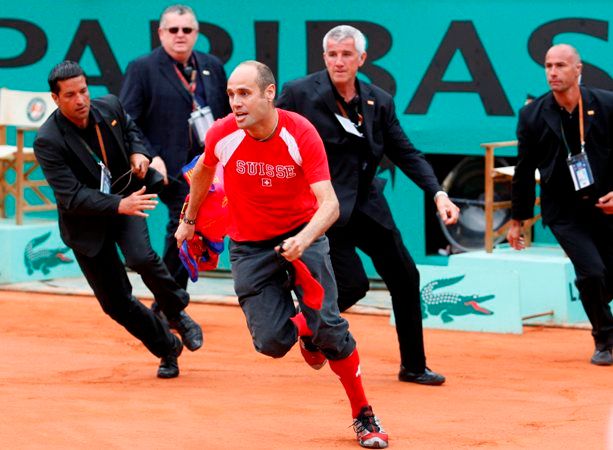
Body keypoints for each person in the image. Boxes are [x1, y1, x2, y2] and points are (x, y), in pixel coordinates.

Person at [175, 60, 389, 449]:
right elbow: (204, 172)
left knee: (330, 327)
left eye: (245, 94)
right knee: (271, 343)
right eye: (231, 95)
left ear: (269, 94)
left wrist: (304, 240)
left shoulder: (300, 133)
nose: (235, 103)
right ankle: (303, 330)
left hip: (302, 238)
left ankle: (364, 414)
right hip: (249, 246)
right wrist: (189, 219)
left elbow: (329, 205)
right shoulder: (223, 133)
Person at [276, 25, 459, 385]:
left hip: (368, 205)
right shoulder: (299, 94)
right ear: (324, 57)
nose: (339, 61)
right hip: (325, 210)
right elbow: (272, 135)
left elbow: (405, 152)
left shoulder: (379, 101)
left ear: (362, 58)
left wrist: (438, 192)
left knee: (406, 277)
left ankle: (414, 366)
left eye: (347, 54)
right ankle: (305, 327)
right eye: (332, 54)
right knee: (353, 286)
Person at [34, 61, 202, 379]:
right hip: (87, 223)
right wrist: (118, 205)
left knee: (142, 257)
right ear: (55, 99)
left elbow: (130, 130)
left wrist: (140, 153)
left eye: (83, 91)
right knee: (116, 303)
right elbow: (70, 196)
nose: (80, 100)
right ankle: (168, 348)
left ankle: (177, 312)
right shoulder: (48, 140)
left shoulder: (109, 105)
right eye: (70, 95)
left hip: (127, 197)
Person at [507, 44, 613, 366]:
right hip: (564, 211)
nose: (553, 72)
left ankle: (595, 298)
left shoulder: (607, 104)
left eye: (561, 66)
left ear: (578, 69)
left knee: (603, 275)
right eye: (548, 65)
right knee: (592, 272)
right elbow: (524, 169)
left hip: (606, 204)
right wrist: (518, 220)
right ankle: (605, 339)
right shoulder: (532, 115)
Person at [120, 4, 231, 290]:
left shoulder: (212, 67)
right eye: (173, 30)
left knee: (192, 230)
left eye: (186, 30)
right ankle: (169, 300)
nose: (180, 35)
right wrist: (149, 155)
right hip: (167, 167)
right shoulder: (142, 68)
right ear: (161, 33)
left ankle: (168, 300)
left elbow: (224, 115)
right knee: (181, 224)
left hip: (207, 165)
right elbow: (127, 120)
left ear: (196, 33)